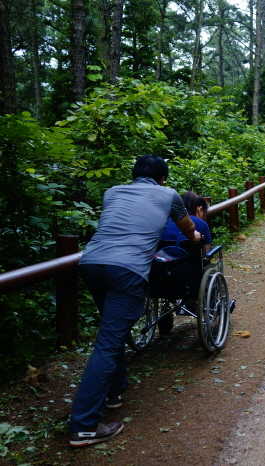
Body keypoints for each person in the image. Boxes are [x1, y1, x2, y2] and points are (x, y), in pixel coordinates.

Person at [69, 155, 201, 447]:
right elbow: (187, 228)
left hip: (91, 264)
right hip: (127, 270)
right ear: (163, 178)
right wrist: (195, 238)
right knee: (108, 341)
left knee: (110, 332)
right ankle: (83, 426)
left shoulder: (112, 192)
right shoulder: (168, 194)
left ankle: (115, 391)